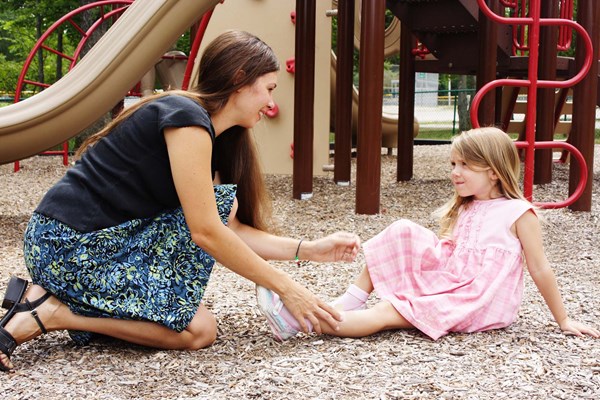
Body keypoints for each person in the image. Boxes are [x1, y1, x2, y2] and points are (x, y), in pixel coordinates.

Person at [0, 30, 361, 373]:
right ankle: (51, 312)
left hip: (104, 244)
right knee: (200, 326)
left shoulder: (212, 137)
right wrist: (287, 287)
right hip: (65, 245)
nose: (271, 102)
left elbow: (229, 229)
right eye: (268, 88)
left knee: (200, 326)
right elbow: (206, 232)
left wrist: (310, 249)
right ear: (239, 79)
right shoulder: (185, 118)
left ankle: (58, 307)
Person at [256, 127, 600, 341]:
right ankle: (347, 302)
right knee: (403, 230)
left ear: (494, 173)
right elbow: (454, 251)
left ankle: (299, 322)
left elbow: (540, 269)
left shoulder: (518, 214)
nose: (455, 172)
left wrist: (563, 319)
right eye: (453, 164)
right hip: (455, 278)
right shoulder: (468, 206)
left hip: (478, 298)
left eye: (465, 165)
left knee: (389, 312)